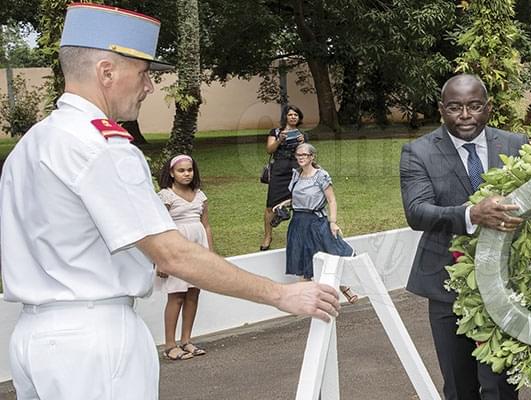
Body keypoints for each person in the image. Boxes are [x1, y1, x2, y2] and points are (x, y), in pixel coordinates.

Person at [0, 5, 339, 400]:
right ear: (106, 72)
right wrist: (280, 295)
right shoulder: (103, 147)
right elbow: (172, 255)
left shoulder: (30, 146)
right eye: (143, 73)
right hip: (93, 343)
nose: (149, 87)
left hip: (32, 340)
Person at [399, 74, 529, 400]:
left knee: (502, 385)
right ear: (442, 109)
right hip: (447, 285)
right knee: (460, 386)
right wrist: (471, 214)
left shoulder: (516, 144)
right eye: (455, 107)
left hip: (505, 282)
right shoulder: (418, 152)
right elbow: (417, 211)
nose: (465, 115)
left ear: (488, 107)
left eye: (474, 106)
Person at [273, 143, 358, 303]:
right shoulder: (296, 175)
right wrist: (284, 204)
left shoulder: (321, 175)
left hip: (316, 222)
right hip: (298, 222)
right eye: (298, 155)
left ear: (312, 157)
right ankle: (304, 301)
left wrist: (333, 222)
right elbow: (299, 198)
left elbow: (331, 200)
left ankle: (344, 286)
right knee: (302, 258)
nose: (300, 158)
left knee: (328, 252)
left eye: (304, 155)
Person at [155, 155, 212, 360]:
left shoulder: (199, 196)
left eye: (190, 170)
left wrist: (210, 253)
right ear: (171, 173)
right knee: (176, 295)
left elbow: (205, 225)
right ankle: (170, 344)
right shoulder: (166, 196)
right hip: (176, 250)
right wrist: (160, 259)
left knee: (192, 294)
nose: (187, 174)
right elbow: (159, 228)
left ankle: (186, 340)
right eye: (181, 170)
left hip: (197, 249)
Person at [261, 105, 307, 251]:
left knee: (299, 204)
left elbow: (306, 155)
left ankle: (299, 234)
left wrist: (302, 143)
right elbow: (269, 149)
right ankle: (268, 236)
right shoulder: (275, 132)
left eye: (296, 115)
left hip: (296, 171)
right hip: (279, 171)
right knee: (270, 206)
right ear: (285, 117)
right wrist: (279, 140)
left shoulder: (302, 135)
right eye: (290, 114)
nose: (293, 117)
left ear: (298, 118)